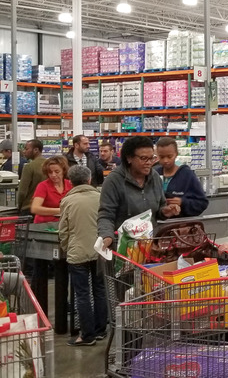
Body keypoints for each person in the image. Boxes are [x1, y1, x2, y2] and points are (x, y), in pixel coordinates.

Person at [98, 137, 180, 250]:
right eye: (143, 158)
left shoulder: (155, 177)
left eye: (151, 158)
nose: (149, 163)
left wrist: (165, 211)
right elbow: (106, 215)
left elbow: (160, 207)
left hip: (150, 246)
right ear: (129, 158)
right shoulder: (114, 181)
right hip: (123, 248)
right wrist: (106, 236)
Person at [58, 165, 107, 346]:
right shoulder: (101, 197)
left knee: (82, 294)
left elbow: (63, 231)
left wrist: (67, 247)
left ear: (70, 182)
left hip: (77, 253)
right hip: (100, 250)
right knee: (100, 291)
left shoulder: (67, 201)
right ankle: (101, 330)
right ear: (89, 180)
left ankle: (87, 335)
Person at [154, 137, 208, 218]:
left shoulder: (187, 175)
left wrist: (183, 202)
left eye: (169, 156)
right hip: (156, 225)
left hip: (180, 225)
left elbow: (202, 203)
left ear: (176, 154)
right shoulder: (154, 174)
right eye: (162, 157)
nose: (165, 160)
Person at [31, 156, 73, 223]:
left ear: (63, 171)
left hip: (64, 223)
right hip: (44, 224)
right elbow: (35, 208)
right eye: (50, 172)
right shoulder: (43, 186)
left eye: (57, 172)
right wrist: (60, 210)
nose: (53, 175)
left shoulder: (70, 185)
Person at [18, 139, 45, 216]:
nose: (24, 151)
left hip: (29, 207)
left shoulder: (29, 167)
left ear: (36, 150)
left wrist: (19, 205)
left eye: (27, 149)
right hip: (45, 207)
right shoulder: (50, 165)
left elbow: (22, 192)